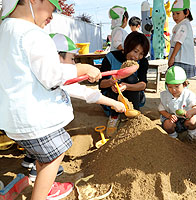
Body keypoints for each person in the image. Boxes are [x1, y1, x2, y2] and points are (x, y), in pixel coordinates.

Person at [0, 1, 102, 199]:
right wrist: (83, 68)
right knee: (56, 153)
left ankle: (44, 184)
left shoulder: (4, 30)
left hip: (12, 119)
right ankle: (40, 195)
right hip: (33, 117)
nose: (53, 15)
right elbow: (52, 76)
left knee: (43, 154)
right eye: (53, 7)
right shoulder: (32, 34)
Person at [21, 33, 127, 182]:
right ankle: (39, 172)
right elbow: (83, 92)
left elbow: (84, 92)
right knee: (59, 146)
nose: (73, 63)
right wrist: (84, 68)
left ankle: (30, 158)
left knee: (40, 143)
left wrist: (114, 103)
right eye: (72, 59)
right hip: (40, 126)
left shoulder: (51, 77)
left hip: (28, 130)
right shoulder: (51, 76)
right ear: (57, 57)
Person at [99, 31, 150, 136]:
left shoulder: (143, 62)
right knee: (118, 79)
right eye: (135, 51)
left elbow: (143, 84)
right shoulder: (111, 57)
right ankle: (114, 117)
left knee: (130, 77)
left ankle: (135, 113)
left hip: (134, 96)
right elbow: (101, 84)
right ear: (128, 46)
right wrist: (111, 82)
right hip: (112, 96)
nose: (137, 57)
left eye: (141, 54)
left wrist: (126, 86)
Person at [158, 66, 196, 141]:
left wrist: (190, 112)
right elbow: (161, 110)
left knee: (193, 121)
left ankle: (192, 133)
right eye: (170, 87)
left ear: (184, 84)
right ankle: (173, 136)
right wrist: (169, 116)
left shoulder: (188, 95)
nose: (173, 90)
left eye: (177, 86)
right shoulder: (165, 96)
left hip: (186, 120)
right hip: (173, 121)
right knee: (167, 125)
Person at [168, 0, 196, 78]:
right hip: (182, 60)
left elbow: (179, 42)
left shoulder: (183, 25)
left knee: (177, 81)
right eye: (173, 14)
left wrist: (172, 57)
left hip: (181, 60)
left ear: (186, 12)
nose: (175, 16)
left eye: (178, 13)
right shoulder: (181, 24)